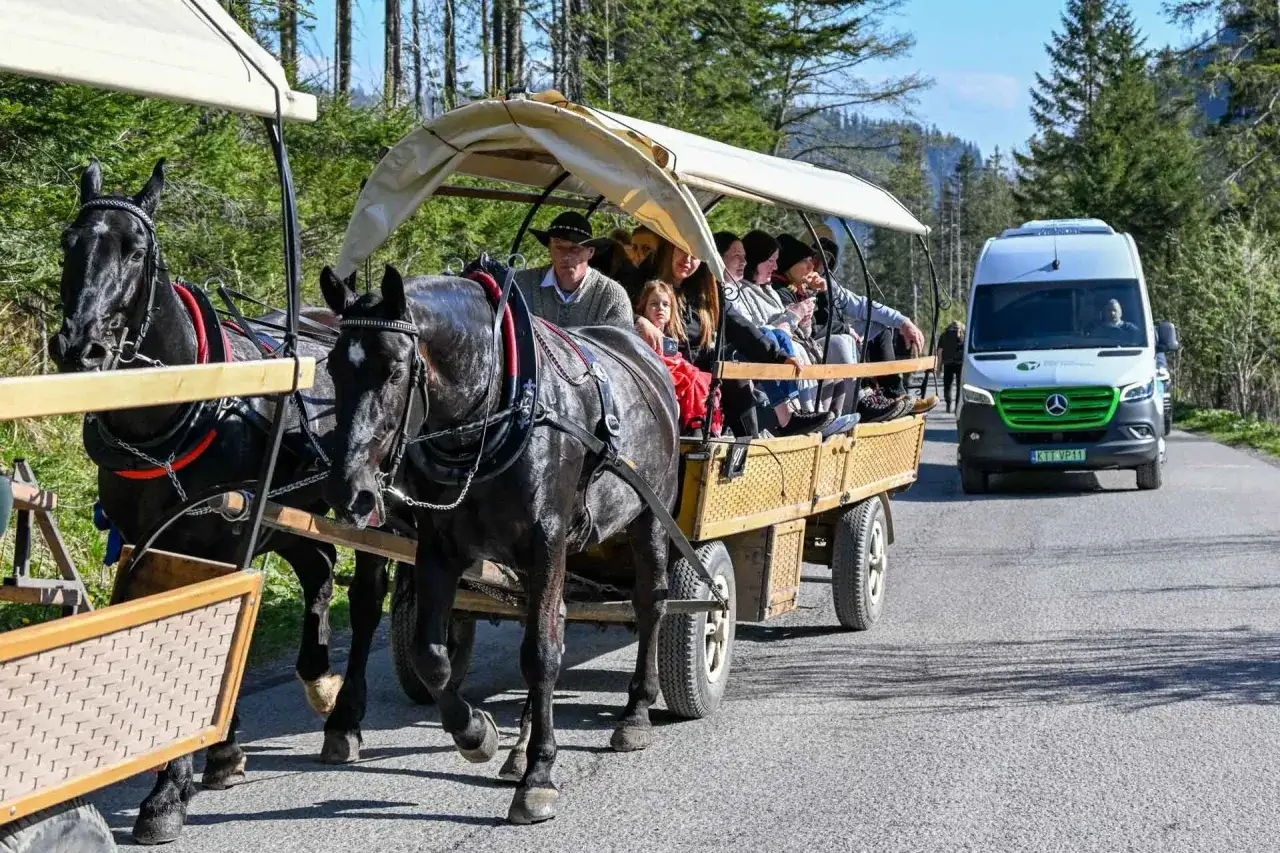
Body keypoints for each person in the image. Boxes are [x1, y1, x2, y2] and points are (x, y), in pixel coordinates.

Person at [637, 237, 832, 437]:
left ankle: (750, 441)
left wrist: (778, 356)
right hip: (661, 364)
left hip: (699, 365)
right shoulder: (646, 282)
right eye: (682, 250)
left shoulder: (705, 290)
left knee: (734, 366)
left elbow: (738, 326)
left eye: (695, 255)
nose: (688, 260)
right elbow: (618, 310)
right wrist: (638, 321)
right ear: (671, 246)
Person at [808, 236, 939, 416]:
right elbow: (809, 330)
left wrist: (903, 322)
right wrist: (846, 330)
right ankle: (863, 401)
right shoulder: (798, 287)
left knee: (879, 326)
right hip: (815, 349)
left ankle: (894, 396)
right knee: (842, 340)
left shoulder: (830, 287)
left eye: (826, 260)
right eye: (814, 258)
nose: (819, 265)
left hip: (837, 341)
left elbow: (863, 306)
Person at [514, 211, 634, 329]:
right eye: (559, 247)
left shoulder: (612, 296)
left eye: (575, 248)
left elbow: (622, 347)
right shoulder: (520, 285)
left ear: (590, 252)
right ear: (549, 248)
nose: (566, 256)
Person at [634, 279, 724, 436]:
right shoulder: (639, 331)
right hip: (653, 376)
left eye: (665, 304)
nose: (659, 308)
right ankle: (696, 427)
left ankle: (701, 427)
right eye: (653, 304)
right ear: (644, 307)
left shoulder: (671, 337)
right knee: (689, 379)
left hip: (673, 379)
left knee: (700, 380)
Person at [937, 320, 966, 413]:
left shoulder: (944, 335)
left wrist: (939, 367)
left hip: (948, 363)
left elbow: (940, 352)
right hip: (960, 364)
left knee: (947, 386)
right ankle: (957, 406)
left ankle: (948, 404)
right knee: (959, 386)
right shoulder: (964, 335)